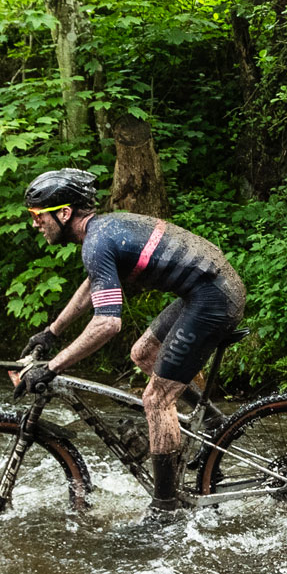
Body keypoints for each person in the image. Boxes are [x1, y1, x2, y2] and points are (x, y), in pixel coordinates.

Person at [15, 168, 245, 512]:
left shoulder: (97, 240)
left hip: (213, 298)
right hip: (204, 291)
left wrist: (52, 366)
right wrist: (52, 332)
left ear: (64, 213)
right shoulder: (103, 232)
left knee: (156, 399)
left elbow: (107, 324)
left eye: (37, 215)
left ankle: (165, 507)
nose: (34, 223)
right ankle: (213, 421)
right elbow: (94, 285)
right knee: (143, 353)